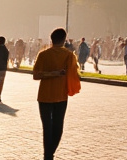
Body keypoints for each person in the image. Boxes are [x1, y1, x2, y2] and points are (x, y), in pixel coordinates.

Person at [33, 27, 80, 160]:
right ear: (64, 40)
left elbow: (36, 75)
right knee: (58, 127)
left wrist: (50, 74)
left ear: (51, 39)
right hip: (60, 96)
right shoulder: (69, 55)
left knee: (47, 128)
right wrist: (57, 73)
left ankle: (48, 155)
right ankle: (49, 154)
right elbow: (74, 74)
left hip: (44, 96)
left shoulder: (43, 55)